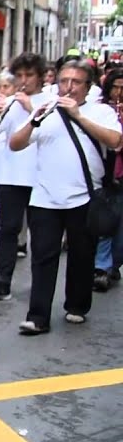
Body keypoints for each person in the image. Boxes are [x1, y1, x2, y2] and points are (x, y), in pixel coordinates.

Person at [8, 58, 123, 334]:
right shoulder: (45, 109)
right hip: (44, 197)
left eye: (76, 82)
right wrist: (33, 121)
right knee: (42, 256)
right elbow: (15, 143)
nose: (68, 88)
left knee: (82, 256)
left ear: (88, 86)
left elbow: (116, 141)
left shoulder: (100, 111)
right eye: (63, 81)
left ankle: (77, 305)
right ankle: (37, 316)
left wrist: (79, 117)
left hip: (85, 197)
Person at [0, 53, 50, 301]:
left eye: (29, 75)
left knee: (41, 234)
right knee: (8, 229)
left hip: (39, 176)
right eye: (20, 75)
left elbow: (50, 130)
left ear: (41, 76)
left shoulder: (49, 100)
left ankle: (40, 287)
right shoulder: (12, 102)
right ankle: (2, 281)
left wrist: (30, 109)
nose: (24, 80)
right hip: (11, 175)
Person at [93, 69, 123, 292]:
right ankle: (101, 267)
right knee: (107, 220)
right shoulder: (100, 110)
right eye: (116, 87)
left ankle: (114, 263)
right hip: (109, 172)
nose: (119, 92)